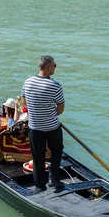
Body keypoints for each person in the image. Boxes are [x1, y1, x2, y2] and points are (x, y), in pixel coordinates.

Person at [22, 55, 65, 191]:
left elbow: (25, 103)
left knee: (38, 156)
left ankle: (39, 186)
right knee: (57, 151)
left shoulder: (28, 82)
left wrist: (36, 112)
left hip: (34, 127)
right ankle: (53, 179)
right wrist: (49, 114)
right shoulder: (55, 86)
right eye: (54, 65)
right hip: (52, 127)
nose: (55, 67)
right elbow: (60, 109)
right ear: (47, 68)